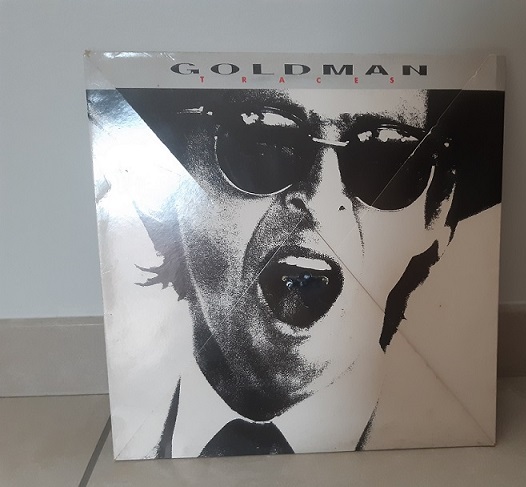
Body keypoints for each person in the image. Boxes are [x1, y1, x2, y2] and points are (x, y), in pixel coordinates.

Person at [92, 86, 504, 458]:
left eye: (383, 156)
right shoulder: (135, 427)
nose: (321, 200)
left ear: (436, 211)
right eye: (263, 141)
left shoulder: (449, 449)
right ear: (171, 182)